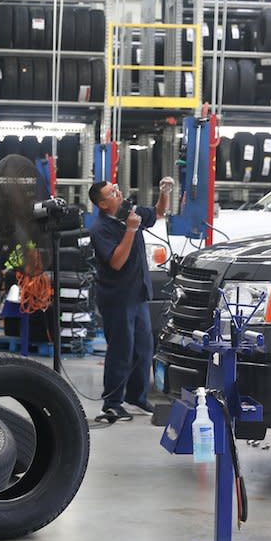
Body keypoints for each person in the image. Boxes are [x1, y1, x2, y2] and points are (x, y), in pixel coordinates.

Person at [88, 176, 172, 423]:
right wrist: (131, 230)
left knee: (143, 349)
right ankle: (112, 403)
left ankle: (137, 396)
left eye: (116, 188)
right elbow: (116, 261)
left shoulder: (130, 212)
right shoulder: (100, 229)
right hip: (117, 298)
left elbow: (157, 213)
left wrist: (164, 192)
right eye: (112, 193)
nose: (118, 192)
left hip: (138, 293)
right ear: (103, 205)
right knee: (121, 350)